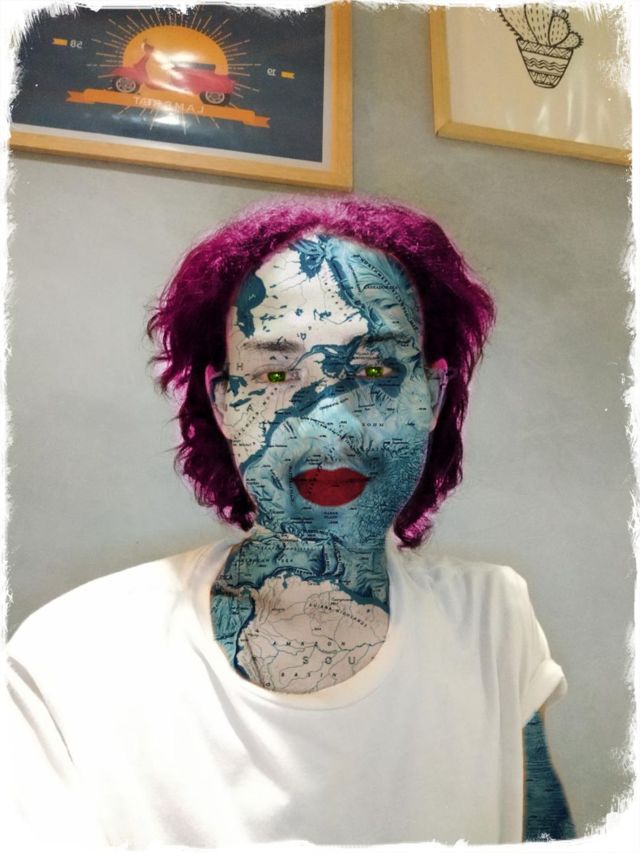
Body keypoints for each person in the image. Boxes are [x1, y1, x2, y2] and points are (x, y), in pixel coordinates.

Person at [5, 195, 574, 847]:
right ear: (223, 404)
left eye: (376, 369)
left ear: (432, 395)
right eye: (276, 372)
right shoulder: (70, 659)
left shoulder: (492, 621)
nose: (330, 429)